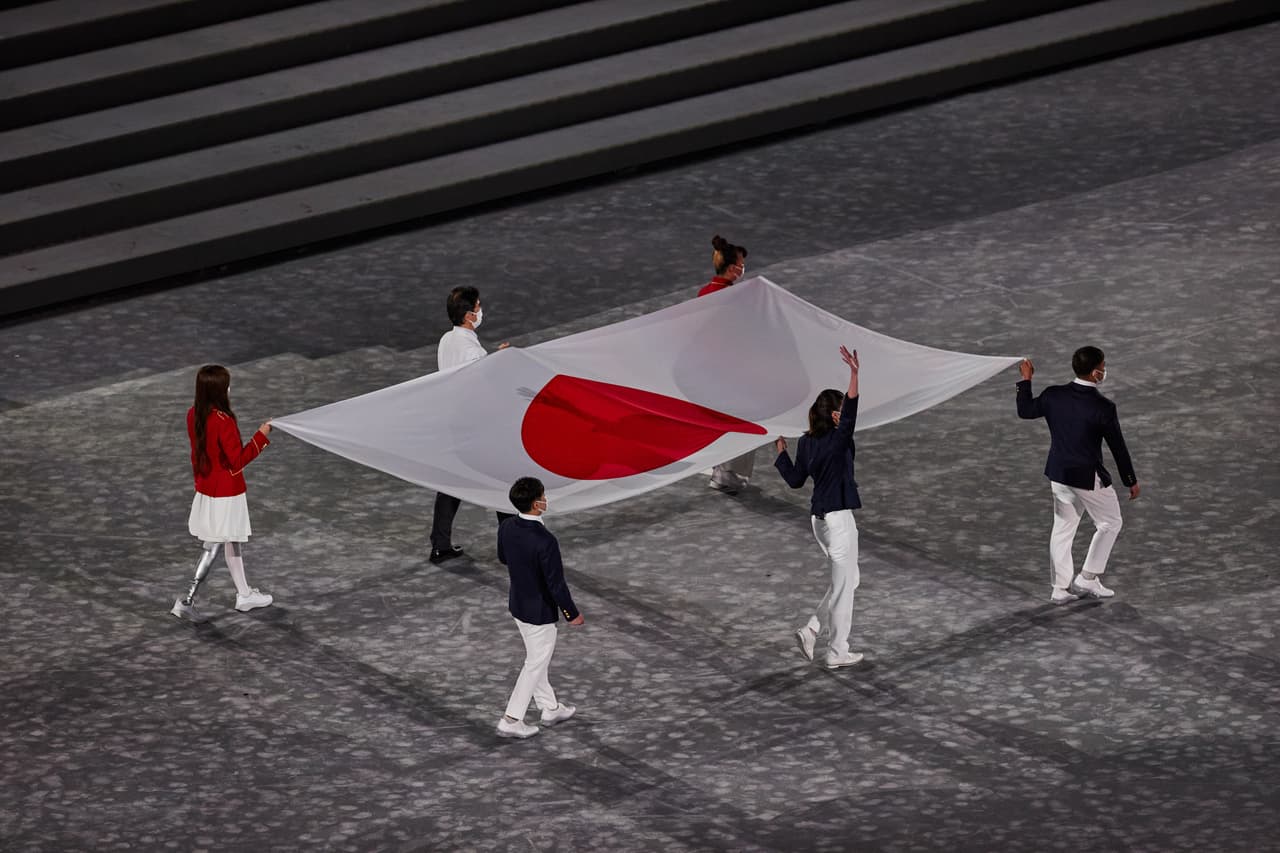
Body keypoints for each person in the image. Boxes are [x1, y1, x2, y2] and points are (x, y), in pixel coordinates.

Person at [1017, 347, 1139, 603]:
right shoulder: (1103, 407)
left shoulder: (1053, 395)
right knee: (1110, 522)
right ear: (1096, 372)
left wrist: (1026, 379)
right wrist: (1130, 480)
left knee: (1062, 528)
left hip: (1059, 474)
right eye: (1103, 366)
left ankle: (1059, 588)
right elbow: (1118, 447)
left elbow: (1026, 410)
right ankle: (1088, 576)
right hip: (1087, 478)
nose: (1105, 370)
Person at [774, 346, 864, 669]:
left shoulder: (807, 442)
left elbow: (797, 480)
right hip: (839, 522)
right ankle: (836, 650)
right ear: (836, 414)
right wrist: (854, 374)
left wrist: (781, 454)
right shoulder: (838, 439)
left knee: (849, 579)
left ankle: (813, 628)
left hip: (818, 522)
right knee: (844, 589)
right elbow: (851, 414)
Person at [171, 365, 274, 622]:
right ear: (219, 390)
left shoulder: (193, 414)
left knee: (231, 540)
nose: (229, 389)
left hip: (208, 488)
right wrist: (261, 437)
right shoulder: (223, 420)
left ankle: (244, 594)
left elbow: (199, 455)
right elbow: (237, 461)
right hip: (226, 492)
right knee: (214, 544)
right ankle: (187, 599)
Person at [495, 477, 583, 739]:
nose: (547, 499)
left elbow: (502, 557)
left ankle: (550, 708)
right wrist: (571, 613)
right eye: (544, 496)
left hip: (518, 605)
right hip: (539, 613)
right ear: (536, 504)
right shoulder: (546, 541)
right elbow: (556, 585)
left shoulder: (507, 526)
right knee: (534, 663)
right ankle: (511, 719)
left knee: (537, 659)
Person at [429, 286, 511, 563]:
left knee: (452, 485)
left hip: (454, 423)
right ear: (467, 315)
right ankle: (509, 550)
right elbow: (482, 387)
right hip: (478, 428)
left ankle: (440, 544)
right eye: (477, 307)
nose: (480, 310)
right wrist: (499, 361)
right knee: (504, 483)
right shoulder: (471, 350)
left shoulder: (446, 340)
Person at [699, 234, 756, 493]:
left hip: (711, 369)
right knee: (742, 420)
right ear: (733, 267)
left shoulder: (705, 292)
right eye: (741, 265)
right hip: (731, 370)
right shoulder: (732, 298)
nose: (743, 269)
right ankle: (729, 475)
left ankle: (722, 471)